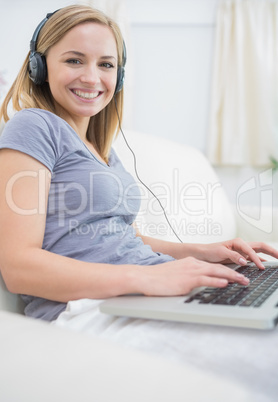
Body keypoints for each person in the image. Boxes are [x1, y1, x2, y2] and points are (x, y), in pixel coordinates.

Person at [0, 4, 277, 323]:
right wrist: (147, 279)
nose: (92, 78)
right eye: (74, 60)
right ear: (39, 66)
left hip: (143, 297)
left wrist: (201, 251)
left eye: (106, 64)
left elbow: (123, 240)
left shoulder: (102, 150)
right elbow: (18, 267)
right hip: (92, 310)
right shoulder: (33, 126)